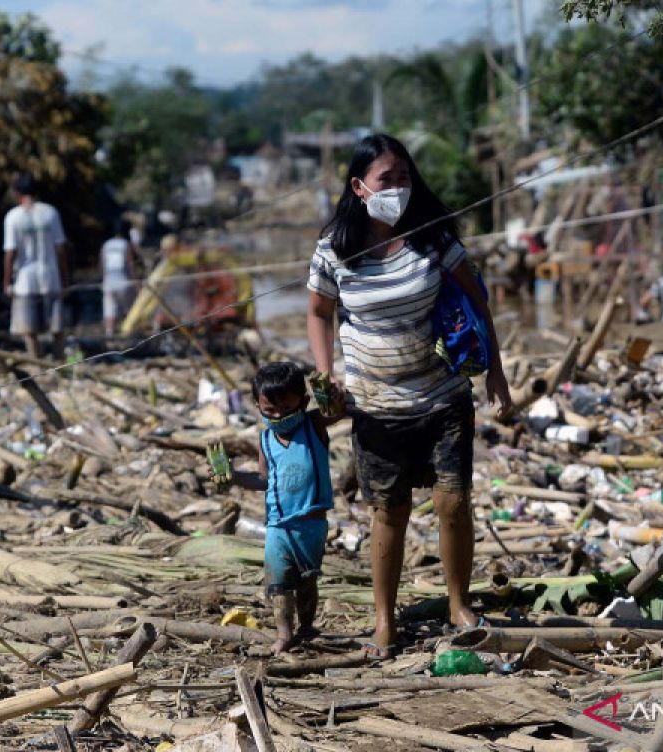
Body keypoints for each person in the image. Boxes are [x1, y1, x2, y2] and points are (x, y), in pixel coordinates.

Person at [306, 133, 512, 658]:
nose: (397, 187)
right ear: (358, 187)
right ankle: (383, 619)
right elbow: (318, 314)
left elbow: (476, 299)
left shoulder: (432, 237)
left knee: (453, 501)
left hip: (442, 392)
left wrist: (496, 373)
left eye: (403, 177)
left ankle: (459, 604)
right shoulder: (335, 249)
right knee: (389, 511)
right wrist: (326, 374)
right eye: (385, 179)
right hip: (375, 403)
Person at [208, 363, 335, 655]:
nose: (278, 417)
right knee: (277, 582)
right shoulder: (266, 440)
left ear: (303, 403)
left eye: (286, 409)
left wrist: (332, 396)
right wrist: (234, 476)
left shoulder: (313, 425)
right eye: (269, 411)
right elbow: (264, 479)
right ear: (258, 407)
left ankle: (306, 626)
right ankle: (283, 633)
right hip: (278, 524)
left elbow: (339, 412)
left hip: (311, 522)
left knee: (306, 581)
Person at [3, 173, 70, 358]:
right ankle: (59, 360)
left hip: (25, 280)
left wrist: (6, 282)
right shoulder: (50, 213)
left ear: (17, 194)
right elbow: (61, 249)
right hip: (51, 276)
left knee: (28, 329)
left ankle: (36, 360)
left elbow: (10, 253)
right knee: (57, 328)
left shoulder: (13, 217)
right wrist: (65, 279)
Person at [101, 224, 140, 336]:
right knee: (128, 309)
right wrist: (136, 282)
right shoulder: (125, 244)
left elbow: (103, 265)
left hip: (108, 282)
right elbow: (130, 264)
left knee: (110, 309)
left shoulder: (106, 244)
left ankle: (109, 334)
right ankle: (127, 333)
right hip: (123, 282)